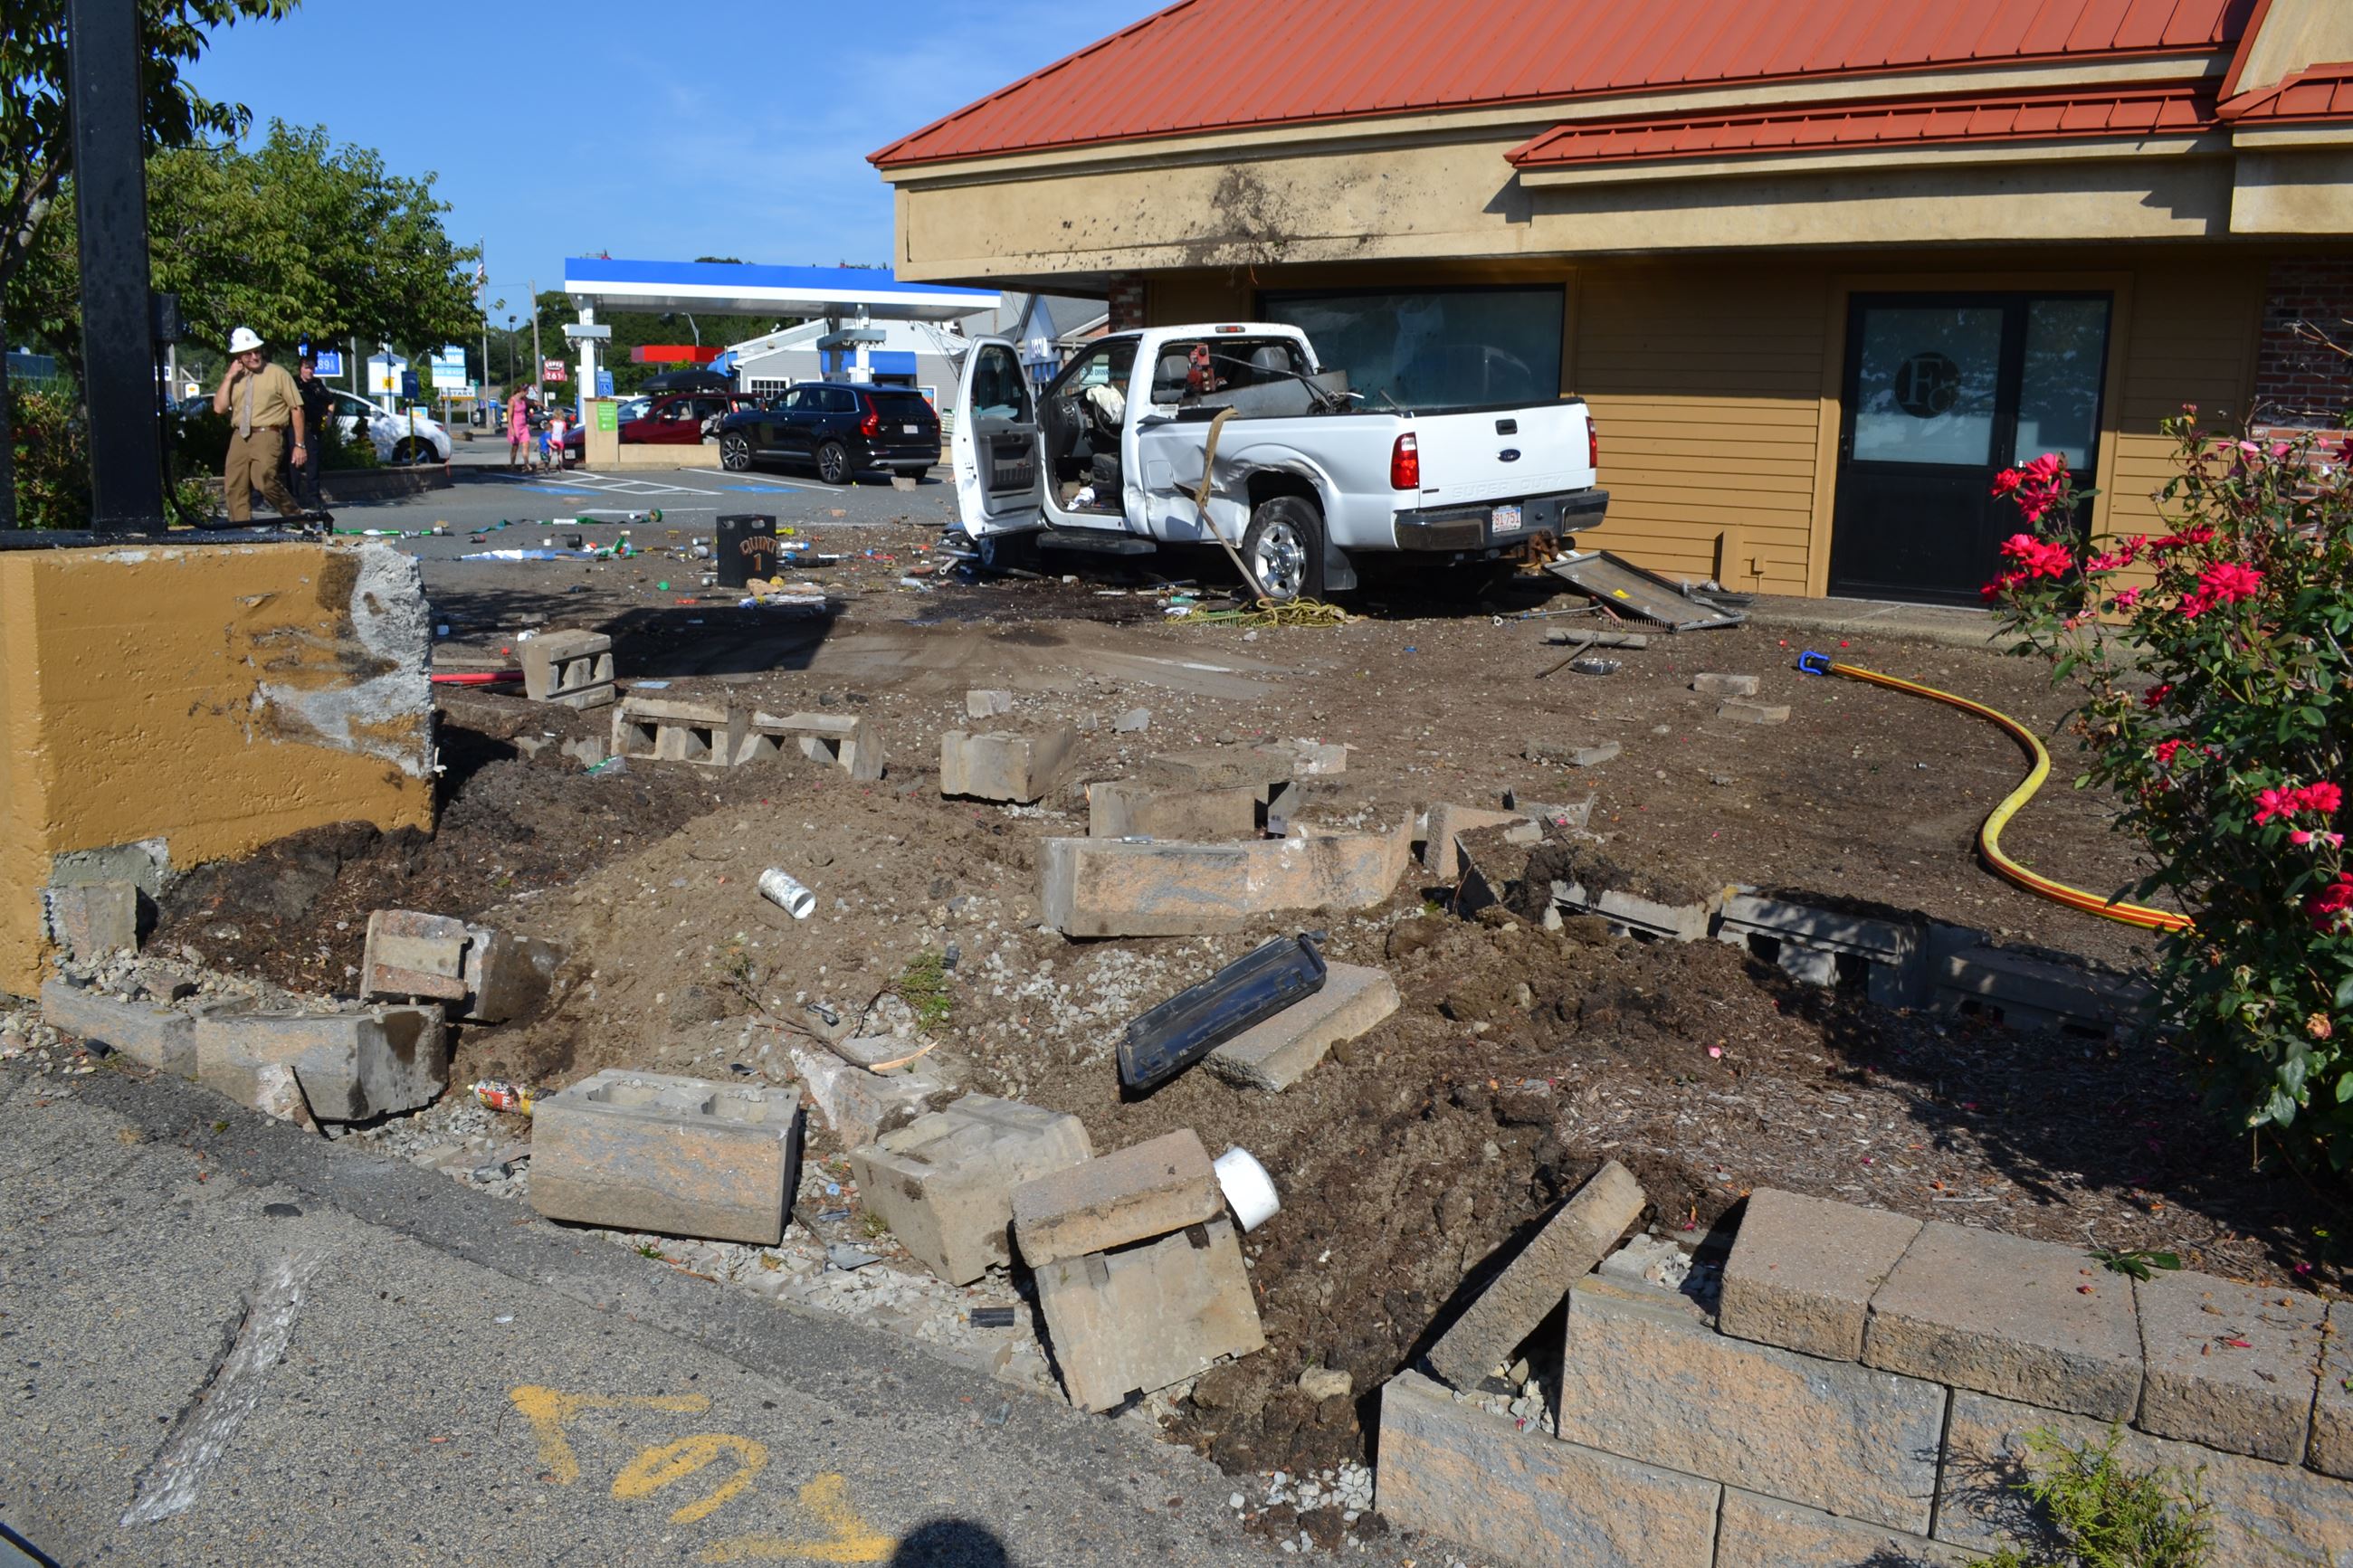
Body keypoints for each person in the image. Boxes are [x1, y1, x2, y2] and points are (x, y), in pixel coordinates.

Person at [210, 327, 306, 525]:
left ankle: (297, 517)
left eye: (257, 351)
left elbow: (296, 409)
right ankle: (241, 528)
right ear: (238, 356)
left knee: (263, 480)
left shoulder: (277, 373)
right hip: (240, 434)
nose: (254, 356)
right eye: (248, 353)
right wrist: (229, 377)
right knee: (234, 483)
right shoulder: (234, 377)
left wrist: (299, 444)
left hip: (267, 433)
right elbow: (219, 408)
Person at [287, 351, 334, 524]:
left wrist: (329, 417)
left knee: (313, 462)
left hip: (313, 428)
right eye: (307, 368)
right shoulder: (293, 383)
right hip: (296, 428)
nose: (310, 371)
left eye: (312, 368)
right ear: (301, 368)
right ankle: (293, 495)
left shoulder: (317, 385)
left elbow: (330, 401)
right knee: (294, 463)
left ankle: (314, 496)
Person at [507, 390, 530, 470]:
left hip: (523, 426)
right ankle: (512, 464)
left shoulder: (524, 399)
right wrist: (511, 428)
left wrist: (542, 405)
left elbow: (533, 402)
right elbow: (509, 416)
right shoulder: (512, 401)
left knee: (526, 445)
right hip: (516, 426)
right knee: (515, 446)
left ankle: (526, 464)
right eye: (527, 391)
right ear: (522, 391)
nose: (527, 393)